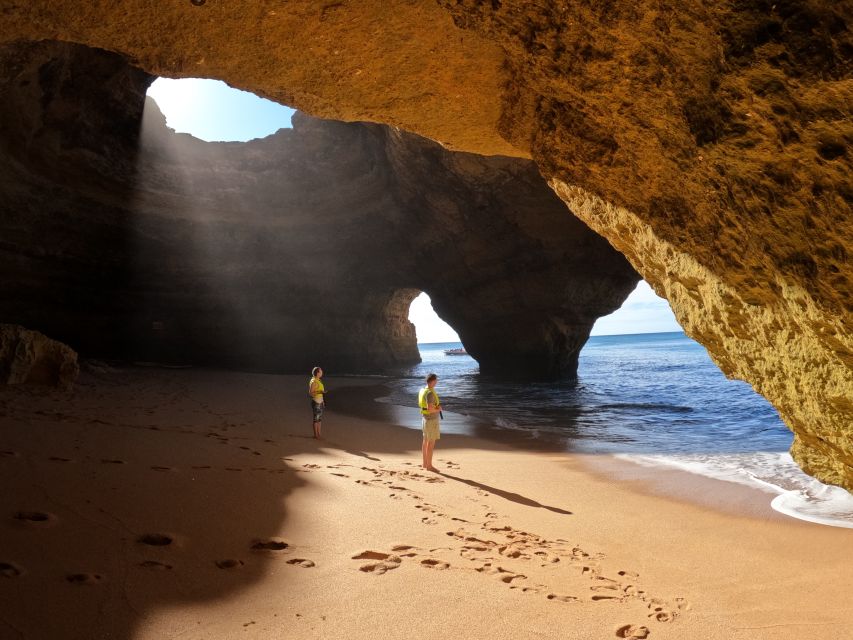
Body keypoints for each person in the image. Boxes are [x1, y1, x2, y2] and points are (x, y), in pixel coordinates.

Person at [418, 373, 442, 471]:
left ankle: (424, 463)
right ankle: (429, 466)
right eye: (436, 380)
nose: (437, 382)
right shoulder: (430, 393)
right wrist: (439, 409)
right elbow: (430, 409)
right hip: (431, 420)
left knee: (425, 441)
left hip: (425, 419)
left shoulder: (423, 390)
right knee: (431, 443)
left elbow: (427, 408)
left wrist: (435, 408)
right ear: (432, 381)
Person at [308, 366, 326, 439]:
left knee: (319, 419)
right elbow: (311, 393)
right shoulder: (314, 381)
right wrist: (320, 391)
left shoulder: (318, 380)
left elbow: (320, 393)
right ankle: (316, 435)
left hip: (320, 401)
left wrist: (323, 401)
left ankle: (319, 434)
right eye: (321, 371)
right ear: (317, 373)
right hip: (316, 401)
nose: (322, 372)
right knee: (316, 419)